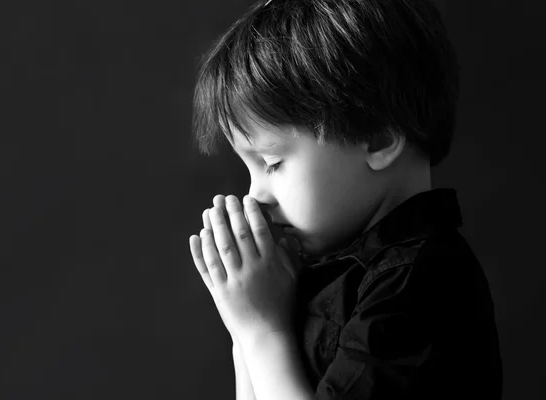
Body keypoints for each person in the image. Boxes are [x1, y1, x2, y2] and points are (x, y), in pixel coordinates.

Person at [188, 0, 503, 399]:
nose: (254, 196)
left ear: (378, 138)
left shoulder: (416, 285)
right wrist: (244, 325)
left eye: (272, 163)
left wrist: (262, 332)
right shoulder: (322, 271)